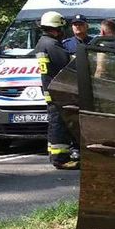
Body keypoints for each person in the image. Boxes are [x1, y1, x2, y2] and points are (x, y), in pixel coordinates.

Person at [34, 11, 78, 170]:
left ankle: (55, 154)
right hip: (58, 91)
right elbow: (67, 66)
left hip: (51, 90)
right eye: (61, 29)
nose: (62, 33)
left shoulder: (42, 43)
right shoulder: (52, 45)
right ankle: (61, 159)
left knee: (55, 123)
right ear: (56, 29)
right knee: (59, 125)